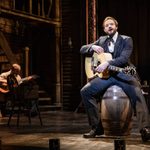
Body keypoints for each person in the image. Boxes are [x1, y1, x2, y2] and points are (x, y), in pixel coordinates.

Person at [80, 16, 150, 142]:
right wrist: (92, 48)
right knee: (85, 92)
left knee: (137, 94)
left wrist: (107, 63)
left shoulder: (126, 39)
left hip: (123, 74)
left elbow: (123, 58)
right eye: (106, 26)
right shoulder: (101, 40)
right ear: (104, 29)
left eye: (111, 24)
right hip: (106, 77)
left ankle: (145, 128)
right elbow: (82, 49)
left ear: (116, 26)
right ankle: (96, 127)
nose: (109, 27)